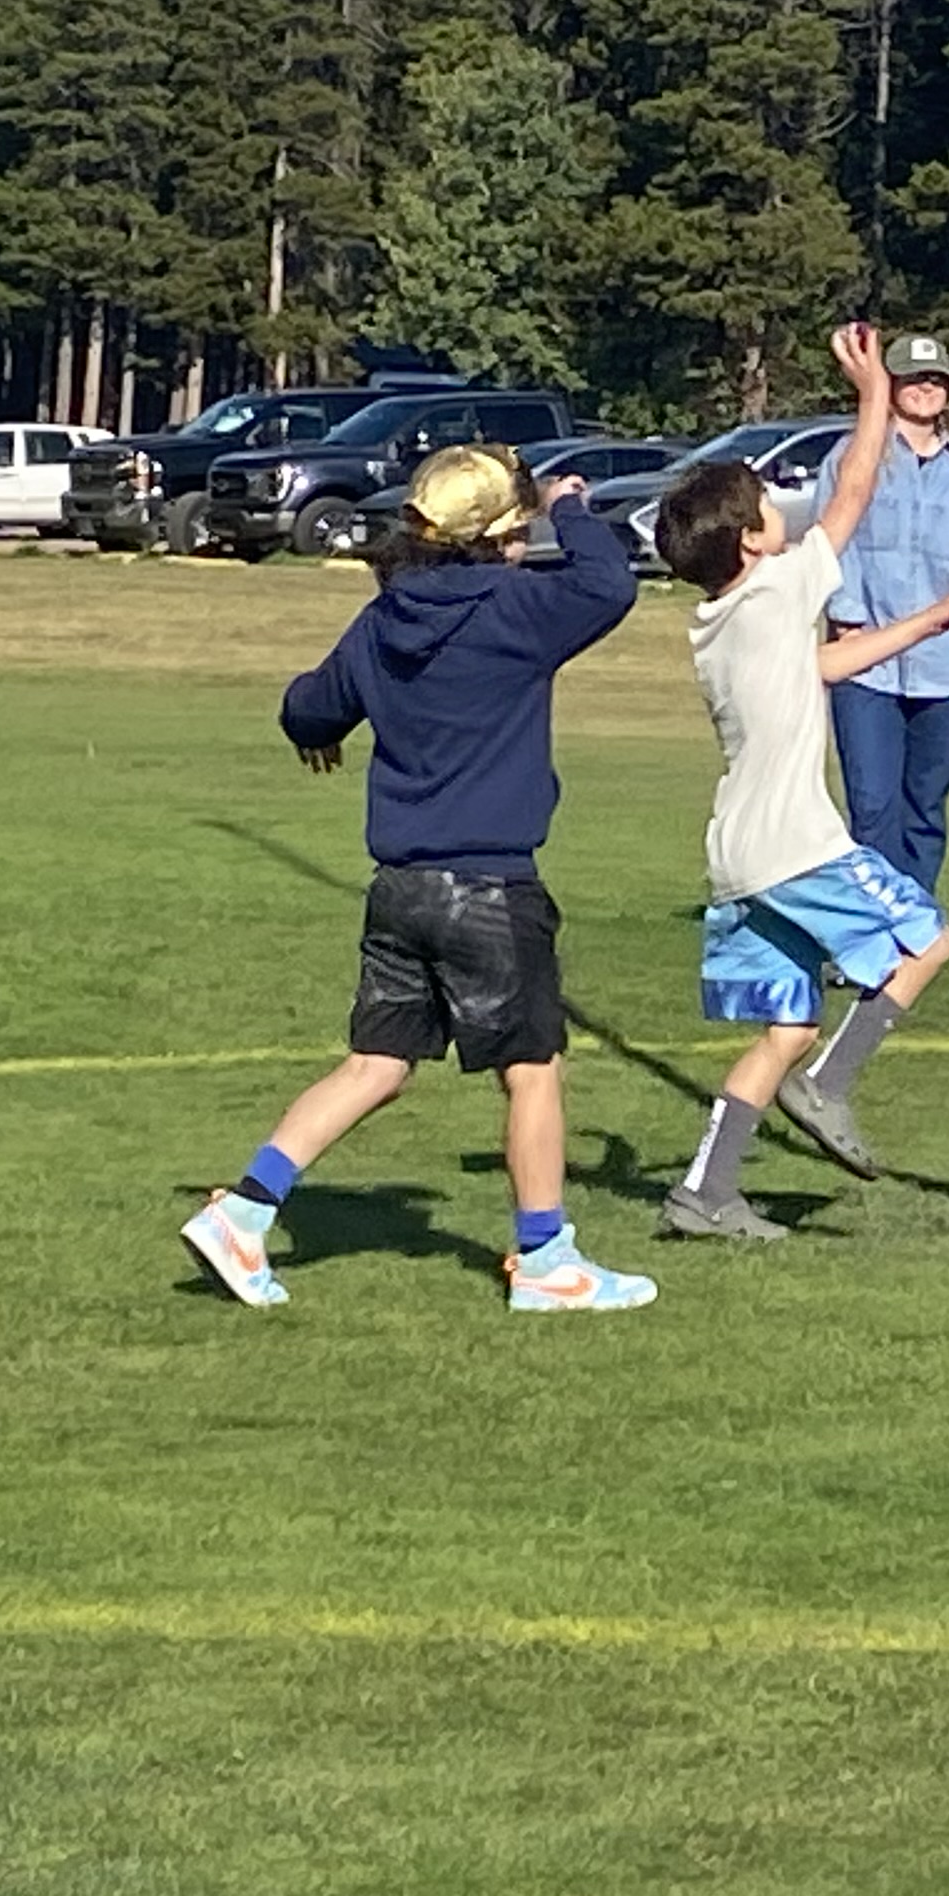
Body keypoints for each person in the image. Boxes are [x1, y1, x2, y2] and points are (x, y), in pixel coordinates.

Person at [181, 444, 654, 1315]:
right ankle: (547, 1258)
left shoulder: (386, 615)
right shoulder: (521, 609)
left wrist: (316, 731)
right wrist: (571, 506)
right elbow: (611, 583)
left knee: (376, 1064)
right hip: (489, 884)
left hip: (399, 885)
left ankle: (245, 1210)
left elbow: (309, 707)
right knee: (533, 1069)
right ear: (500, 538)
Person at [653, 324, 949, 1238]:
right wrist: (871, 391)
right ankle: (832, 1087)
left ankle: (702, 1195)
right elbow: (856, 489)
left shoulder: (722, 620)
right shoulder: (778, 587)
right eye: (764, 505)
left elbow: (826, 670)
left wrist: (931, 620)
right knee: (929, 939)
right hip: (797, 846)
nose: (778, 507)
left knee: (786, 1024)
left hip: (735, 854)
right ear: (751, 544)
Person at [812, 329, 949, 896]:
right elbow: (834, 543)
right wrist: (845, 614)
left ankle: (913, 924)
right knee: (872, 806)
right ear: (890, 386)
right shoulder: (855, 458)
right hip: (868, 664)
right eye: (911, 378)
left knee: (925, 806)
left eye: (935, 379)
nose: (924, 389)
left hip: (944, 666)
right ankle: (870, 930)